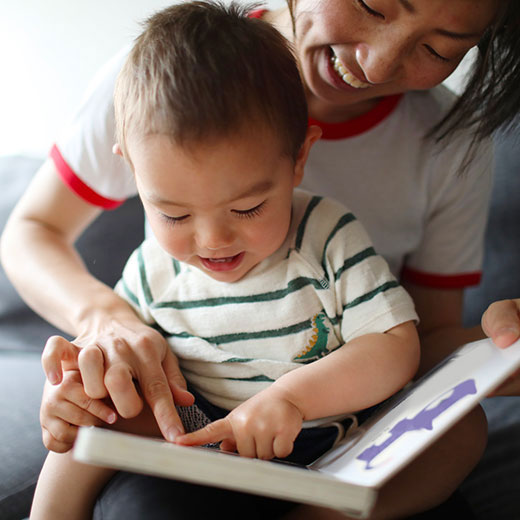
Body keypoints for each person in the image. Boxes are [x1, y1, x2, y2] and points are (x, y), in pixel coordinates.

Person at [2, 0, 519, 517]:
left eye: (438, 48)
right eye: (372, 5)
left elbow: (411, 342)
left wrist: (501, 348)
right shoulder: (160, 75)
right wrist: (94, 355)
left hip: (336, 428)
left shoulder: (337, 224)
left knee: (461, 431)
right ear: (133, 171)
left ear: (300, 159)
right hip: (197, 430)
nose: (213, 240)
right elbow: (33, 232)